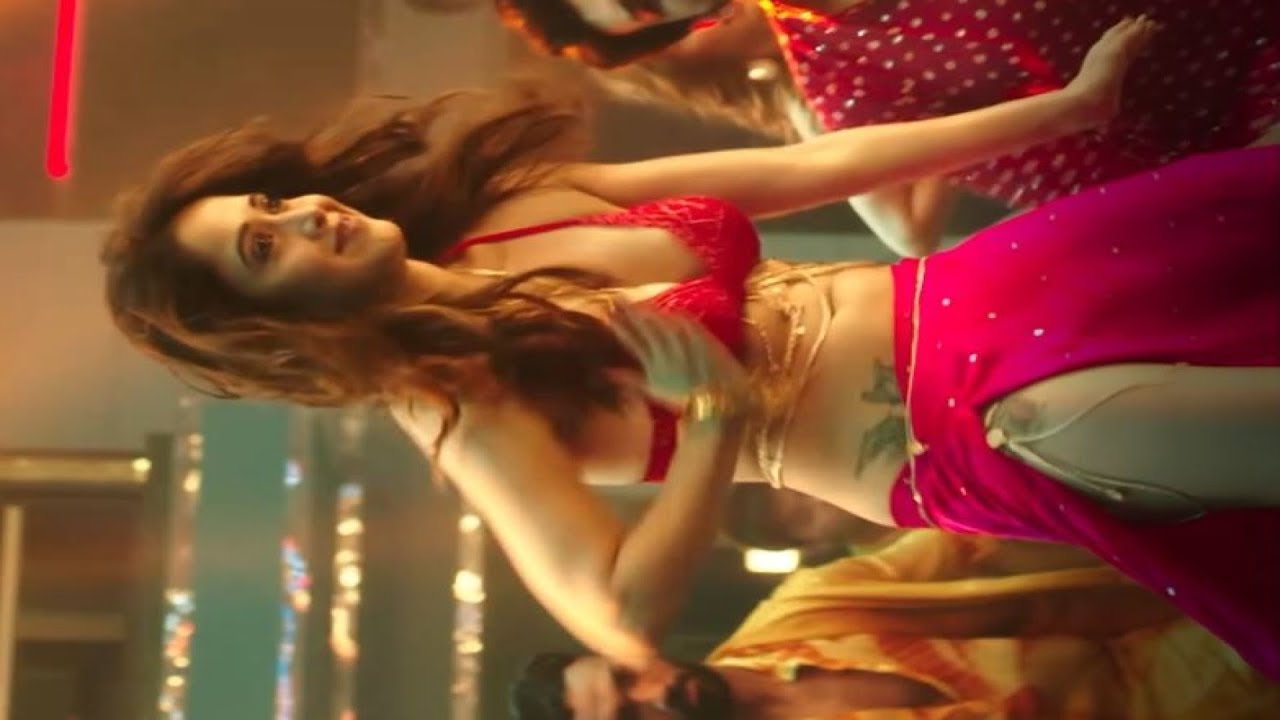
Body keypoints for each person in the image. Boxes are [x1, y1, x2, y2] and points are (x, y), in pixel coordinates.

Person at [101, 19, 1280, 679]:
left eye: (270, 204)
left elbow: (810, 166)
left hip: (990, 280)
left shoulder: (512, 205)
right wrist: (711, 423)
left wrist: (1062, 110)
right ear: (275, 327)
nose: (301, 217)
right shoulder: (459, 402)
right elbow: (616, 617)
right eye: (263, 249)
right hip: (966, 424)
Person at [497, 0, 1280, 255]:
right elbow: (1082, 174)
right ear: (682, 24)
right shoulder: (842, 78)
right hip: (1245, 129)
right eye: (641, 4)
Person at [511, 531, 1280, 719]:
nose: (652, 697)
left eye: (624, 678)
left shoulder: (800, 612)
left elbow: (958, 539)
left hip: (1185, 629)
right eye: (627, 719)